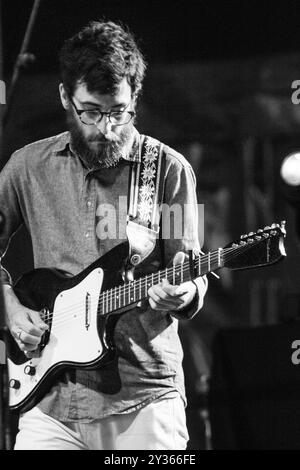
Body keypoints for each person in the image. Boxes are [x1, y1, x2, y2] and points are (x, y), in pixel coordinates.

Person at [0, 20, 207, 450]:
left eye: (119, 112)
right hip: (49, 400)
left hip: (140, 397)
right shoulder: (27, 167)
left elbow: (188, 271)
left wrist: (183, 293)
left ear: (134, 99)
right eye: (90, 111)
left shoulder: (166, 170)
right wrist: (10, 308)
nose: (106, 128)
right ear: (64, 97)